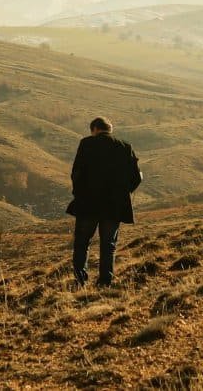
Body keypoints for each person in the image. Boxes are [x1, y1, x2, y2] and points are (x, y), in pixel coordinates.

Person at [66, 117, 142, 287]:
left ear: (94, 129)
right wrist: (123, 192)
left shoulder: (86, 144)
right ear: (110, 129)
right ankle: (105, 282)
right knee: (108, 245)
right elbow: (136, 177)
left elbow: (76, 173)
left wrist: (79, 194)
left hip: (88, 204)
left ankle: (80, 281)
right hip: (114, 205)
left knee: (82, 243)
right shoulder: (125, 146)